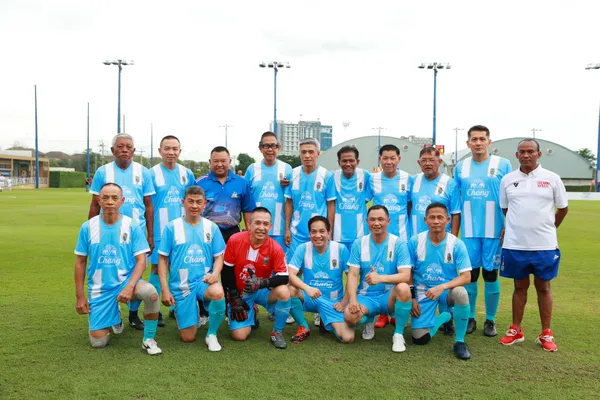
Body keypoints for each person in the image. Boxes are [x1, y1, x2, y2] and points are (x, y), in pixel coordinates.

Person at [74, 183, 161, 355]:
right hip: (100, 289)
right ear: (99, 201)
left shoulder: (132, 226)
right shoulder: (87, 227)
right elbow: (80, 262)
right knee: (98, 342)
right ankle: (115, 315)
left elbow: (141, 261)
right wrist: (80, 297)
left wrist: (129, 287)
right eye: (105, 198)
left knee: (150, 293)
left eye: (114, 198)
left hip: (125, 282)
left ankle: (149, 339)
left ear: (122, 201)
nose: (110, 202)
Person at [498, 139, 568, 352]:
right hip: (515, 245)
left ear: (539, 154)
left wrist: (549, 228)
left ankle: (546, 332)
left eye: (530, 151)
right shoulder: (508, 180)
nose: (526, 155)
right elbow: (506, 209)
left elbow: (563, 209)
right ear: (516, 155)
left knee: (543, 288)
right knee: (519, 287)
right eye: (522, 151)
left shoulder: (552, 178)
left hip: (544, 245)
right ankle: (516, 330)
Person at [89, 133, 156, 330]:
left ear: (134, 151)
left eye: (128, 146)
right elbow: (94, 204)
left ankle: (133, 315)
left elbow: (148, 205)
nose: (124, 149)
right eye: (120, 146)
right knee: (110, 269)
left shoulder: (143, 172)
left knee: (136, 271)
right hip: (108, 231)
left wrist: (150, 235)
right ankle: (113, 310)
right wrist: (91, 230)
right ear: (113, 150)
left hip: (136, 233)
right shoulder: (103, 171)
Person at [454, 125, 512, 337]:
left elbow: (511, 198)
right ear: (468, 143)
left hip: (494, 230)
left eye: (482, 139)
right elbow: (456, 200)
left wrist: (508, 225)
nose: (478, 143)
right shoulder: (460, 167)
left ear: (489, 141)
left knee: (490, 274)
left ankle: (490, 319)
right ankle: (470, 317)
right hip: (469, 230)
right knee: (470, 275)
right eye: (474, 139)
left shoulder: (503, 164)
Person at [157, 186, 227, 351]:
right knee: (188, 338)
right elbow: (163, 259)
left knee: (218, 292)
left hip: (203, 281)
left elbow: (219, 256)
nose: (194, 206)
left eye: (198, 202)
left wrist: (215, 273)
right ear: (183, 202)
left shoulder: (211, 227)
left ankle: (211, 334)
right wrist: (165, 289)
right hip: (181, 286)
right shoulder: (172, 227)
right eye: (190, 201)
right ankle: (191, 311)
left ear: (204, 204)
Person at [407, 202, 473, 360]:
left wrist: (442, 287)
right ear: (425, 220)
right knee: (419, 339)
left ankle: (459, 341)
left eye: (440, 217)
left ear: (448, 220)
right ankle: (445, 317)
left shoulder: (456, 244)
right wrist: (412, 298)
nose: (436, 221)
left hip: (446, 291)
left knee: (461, 293)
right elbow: (408, 272)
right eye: (432, 217)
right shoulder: (415, 241)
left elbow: (466, 276)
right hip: (423, 292)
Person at [344, 205, 413, 352]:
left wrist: (380, 278)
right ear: (367, 221)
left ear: (388, 221)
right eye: (372, 219)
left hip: (388, 297)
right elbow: (353, 274)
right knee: (349, 317)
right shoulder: (359, 243)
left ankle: (398, 334)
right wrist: (353, 300)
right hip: (366, 296)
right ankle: (369, 318)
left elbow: (406, 275)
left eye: (381, 219)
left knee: (403, 288)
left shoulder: (398, 243)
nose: (376, 223)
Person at [221, 207, 291, 349]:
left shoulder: (275, 248)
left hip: (261, 290)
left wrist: (262, 282)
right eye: (257, 223)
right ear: (249, 223)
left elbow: (284, 277)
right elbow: (226, 271)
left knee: (284, 291)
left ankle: (277, 332)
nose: (261, 227)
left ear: (270, 226)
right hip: (242, 293)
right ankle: (251, 312)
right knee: (239, 336)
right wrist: (234, 297)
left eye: (265, 224)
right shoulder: (235, 240)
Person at [409, 146, 461, 335]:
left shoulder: (450, 183)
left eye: (432, 160)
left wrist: (452, 238)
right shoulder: (414, 181)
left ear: (439, 161)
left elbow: (455, 212)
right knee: (418, 276)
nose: (428, 163)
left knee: (442, 275)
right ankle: (420, 311)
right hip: (418, 240)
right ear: (419, 163)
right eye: (424, 160)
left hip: (441, 240)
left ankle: (448, 316)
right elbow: (409, 206)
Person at [148, 135, 195, 326]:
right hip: (159, 231)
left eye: (175, 149)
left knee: (179, 268)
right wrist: (150, 234)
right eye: (167, 148)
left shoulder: (187, 173)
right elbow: (147, 205)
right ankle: (154, 309)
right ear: (160, 151)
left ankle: (177, 308)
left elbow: (193, 201)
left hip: (182, 231)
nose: (171, 152)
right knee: (156, 268)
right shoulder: (151, 174)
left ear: (180, 151)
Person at [287, 216, 354, 344]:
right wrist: (307, 288)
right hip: (309, 297)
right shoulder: (302, 248)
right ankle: (303, 326)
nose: (318, 235)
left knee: (347, 337)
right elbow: (290, 274)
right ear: (309, 233)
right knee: (289, 291)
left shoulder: (340, 249)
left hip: (333, 302)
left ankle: (324, 318)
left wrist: (344, 302)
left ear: (329, 232)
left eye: (322, 231)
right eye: (314, 232)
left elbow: (352, 277)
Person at [368, 144, 411, 329]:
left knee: (401, 274)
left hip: (401, 236)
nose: (389, 161)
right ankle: (383, 313)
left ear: (399, 159)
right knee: (381, 271)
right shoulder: (373, 179)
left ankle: (396, 312)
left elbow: (410, 204)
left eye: (393, 158)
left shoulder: (408, 179)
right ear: (380, 159)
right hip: (379, 236)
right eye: (385, 158)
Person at [284, 137, 336, 261]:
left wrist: (330, 231)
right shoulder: (292, 174)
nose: (307, 155)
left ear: (318, 154)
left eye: (311, 152)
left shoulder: (327, 176)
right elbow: (289, 203)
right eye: (303, 152)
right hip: (296, 233)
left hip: (318, 234)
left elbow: (331, 205)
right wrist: (287, 229)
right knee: (294, 268)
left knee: (316, 268)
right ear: (300, 154)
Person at [195, 146, 255, 243]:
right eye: (216, 161)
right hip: (206, 233)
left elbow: (248, 210)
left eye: (223, 161)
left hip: (233, 233)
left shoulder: (242, 183)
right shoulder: (199, 183)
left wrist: (250, 235)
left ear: (230, 161)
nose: (219, 164)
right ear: (210, 162)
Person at [245, 131, 293, 250]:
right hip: (256, 229)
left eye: (273, 145)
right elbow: (245, 200)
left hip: (279, 229)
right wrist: (248, 226)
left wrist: (288, 229)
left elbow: (291, 199)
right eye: (266, 146)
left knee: (278, 261)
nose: (270, 149)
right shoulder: (252, 169)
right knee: (255, 260)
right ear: (260, 148)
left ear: (278, 148)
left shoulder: (287, 169)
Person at [333, 145, 372, 252]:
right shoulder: (333, 176)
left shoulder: (365, 175)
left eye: (351, 160)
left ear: (357, 162)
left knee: (360, 262)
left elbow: (367, 198)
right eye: (344, 161)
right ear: (339, 162)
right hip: (338, 235)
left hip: (361, 233)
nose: (348, 164)